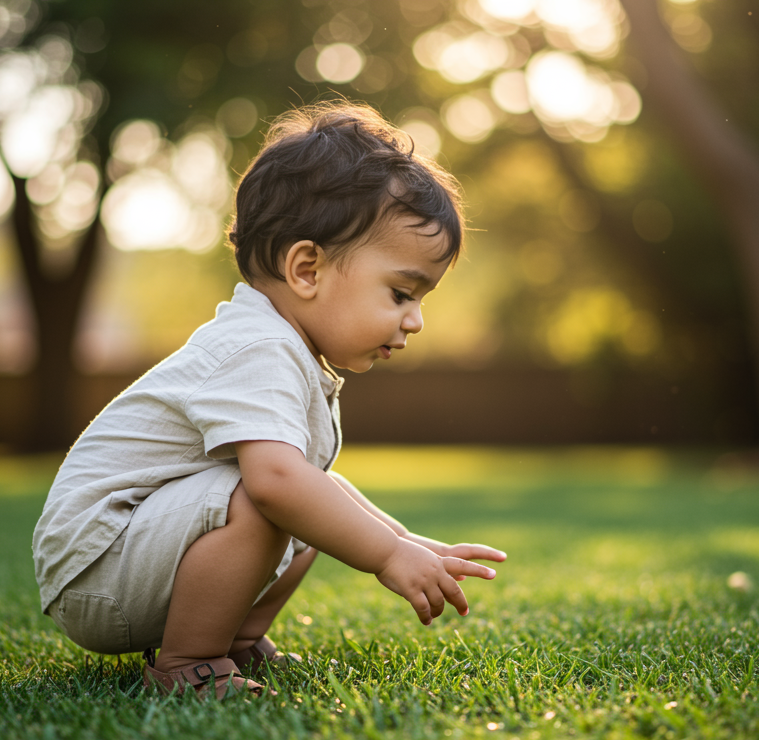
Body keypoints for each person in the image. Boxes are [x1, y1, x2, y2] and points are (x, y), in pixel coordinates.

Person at [31, 102, 508, 699]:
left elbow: (318, 490)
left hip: (135, 558)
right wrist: (385, 556)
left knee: (310, 498)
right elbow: (277, 483)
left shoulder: (285, 349)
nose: (414, 321)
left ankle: (236, 640)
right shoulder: (256, 345)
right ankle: (189, 661)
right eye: (401, 292)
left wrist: (410, 545)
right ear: (306, 268)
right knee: (274, 493)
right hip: (98, 567)